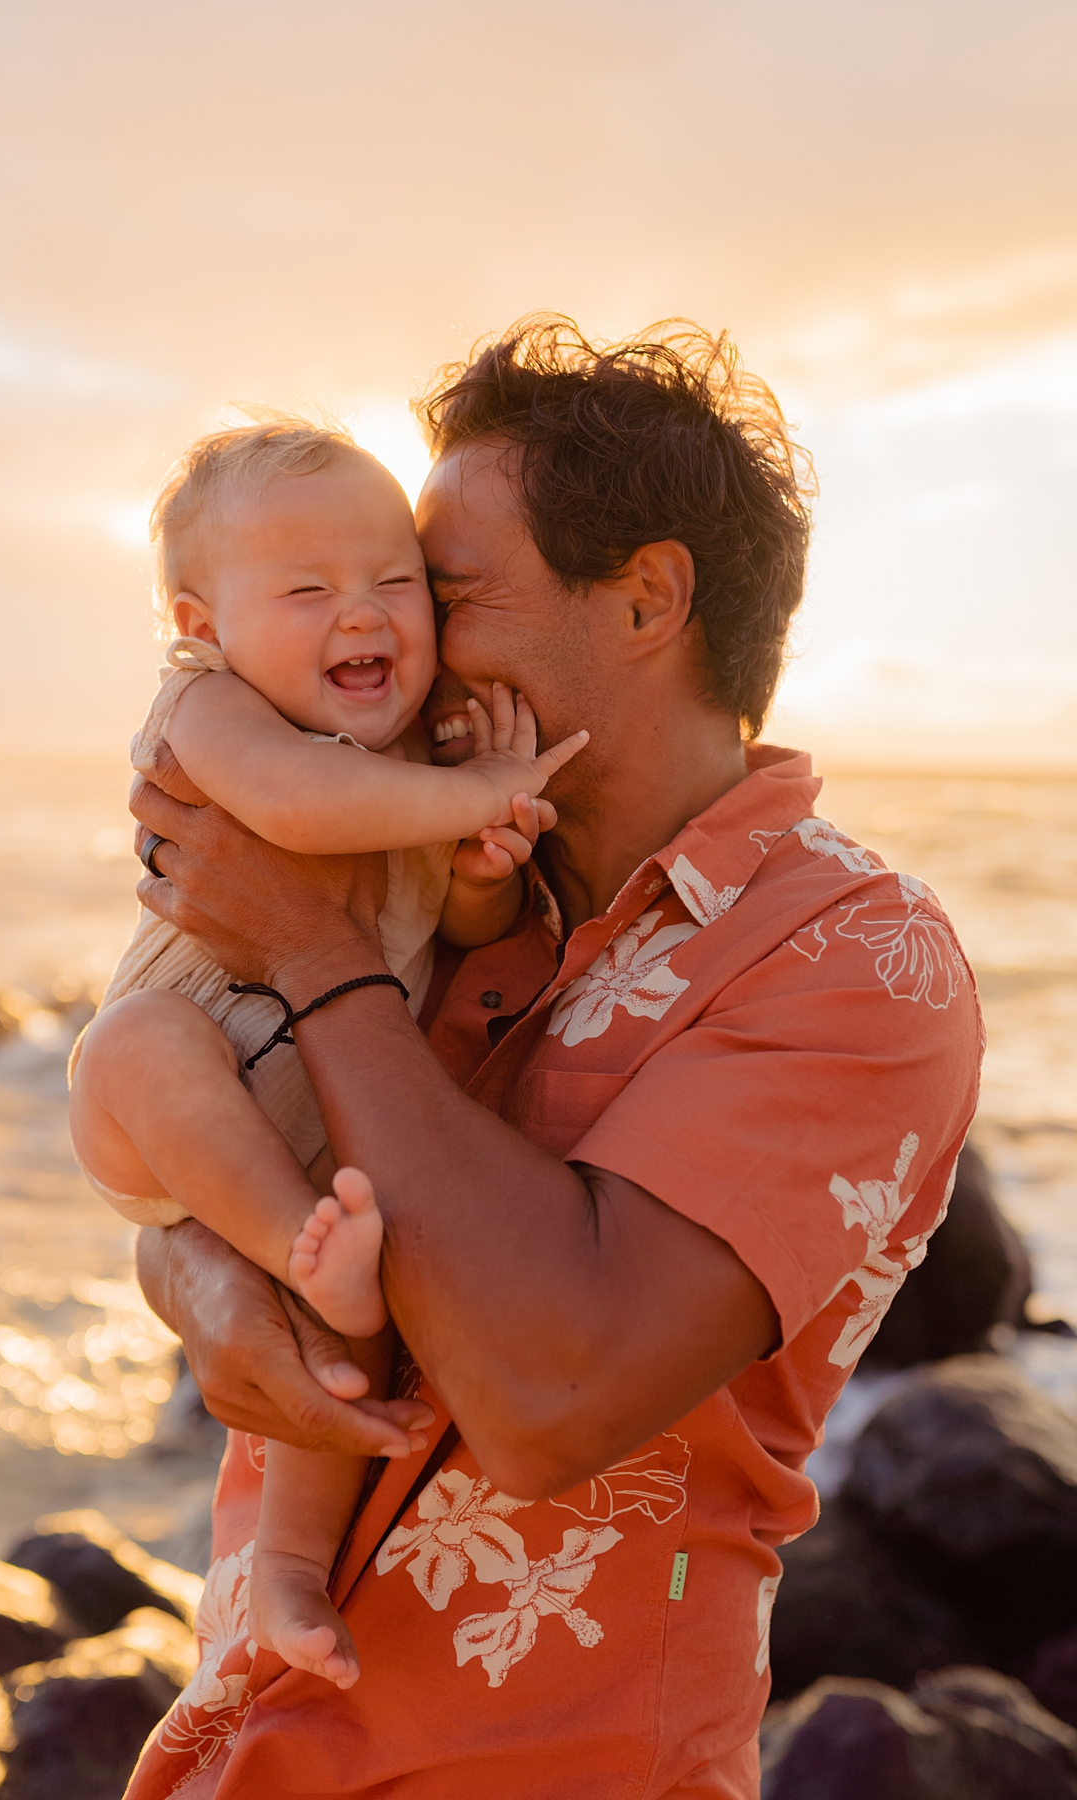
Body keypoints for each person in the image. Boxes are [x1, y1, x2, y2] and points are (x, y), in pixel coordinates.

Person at [123, 319, 983, 1800]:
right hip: (235, 1744)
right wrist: (210, 1281)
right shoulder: (431, 881)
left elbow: (547, 1393)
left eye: (441, 591)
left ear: (647, 598)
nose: (402, 641)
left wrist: (312, 954)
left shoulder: (857, 960)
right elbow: (200, 1190)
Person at [69, 418, 586, 1688]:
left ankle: (293, 1573)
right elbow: (302, 806)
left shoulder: (416, 760)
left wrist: (482, 873)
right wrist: (478, 794)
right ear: (204, 620)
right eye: (307, 591)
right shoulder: (210, 708)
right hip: (172, 1095)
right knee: (139, 1041)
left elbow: (457, 936)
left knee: (336, 1292)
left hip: (310, 1112)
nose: (362, 613)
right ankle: (309, 1243)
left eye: (394, 580)